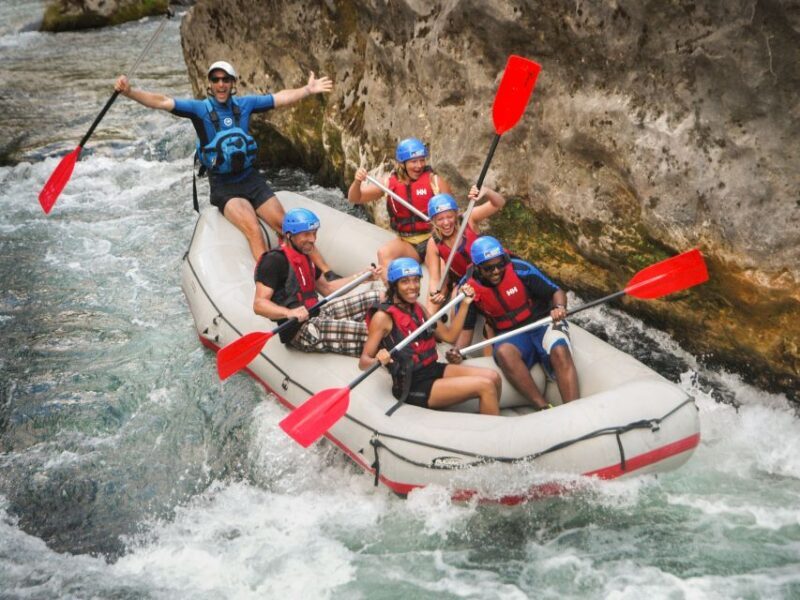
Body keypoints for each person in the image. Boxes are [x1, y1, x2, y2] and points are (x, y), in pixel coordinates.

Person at [114, 60, 336, 276]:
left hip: (251, 179)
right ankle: (272, 282)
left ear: (232, 83)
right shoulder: (199, 109)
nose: (221, 84)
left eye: (225, 80)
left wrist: (307, 90)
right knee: (253, 230)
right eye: (216, 79)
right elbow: (162, 101)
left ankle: (326, 273)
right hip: (224, 187)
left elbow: (280, 98)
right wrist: (130, 91)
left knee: (288, 225)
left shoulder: (244, 105)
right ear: (209, 84)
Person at [450, 236, 580, 409]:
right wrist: (458, 352)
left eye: (500, 264)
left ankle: (576, 411)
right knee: (504, 352)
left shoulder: (521, 269)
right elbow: (466, 330)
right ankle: (543, 407)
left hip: (541, 323)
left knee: (559, 349)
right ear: (477, 268)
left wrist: (559, 307)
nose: (496, 271)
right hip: (510, 335)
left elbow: (556, 291)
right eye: (489, 269)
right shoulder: (468, 289)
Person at [360, 257, 501, 415]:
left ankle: (492, 417)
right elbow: (363, 362)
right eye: (405, 281)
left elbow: (450, 336)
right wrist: (378, 360)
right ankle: (495, 436)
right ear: (395, 285)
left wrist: (465, 304)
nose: (412, 286)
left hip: (432, 369)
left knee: (493, 377)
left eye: (416, 280)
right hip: (412, 384)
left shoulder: (418, 308)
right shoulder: (382, 317)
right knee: (485, 385)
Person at [253, 207, 382, 356]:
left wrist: (362, 277)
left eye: (314, 233)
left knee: (379, 297)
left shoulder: (305, 256)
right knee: (374, 331)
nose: (313, 239)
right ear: (289, 236)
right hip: (301, 331)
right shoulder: (273, 261)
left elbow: (328, 288)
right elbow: (259, 305)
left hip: (318, 313)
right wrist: (288, 312)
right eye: (307, 234)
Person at [347, 138, 453, 275]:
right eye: (414, 161)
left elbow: (453, 213)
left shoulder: (435, 181)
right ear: (402, 164)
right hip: (407, 243)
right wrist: (357, 181)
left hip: (433, 240)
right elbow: (355, 198)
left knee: (441, 269)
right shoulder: (389, 183)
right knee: (383, 253)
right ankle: (393, 293)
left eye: (422, 160)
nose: (419, 165)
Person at [424, 186, 506, 315]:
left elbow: (499, 203)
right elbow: (435, 279)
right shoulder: (433, 243)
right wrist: (435, 293)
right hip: (466, 281)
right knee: (455, 297)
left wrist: (486, 191)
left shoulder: (469, 219)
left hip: (489, 272)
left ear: (456, 214)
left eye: (450, 216)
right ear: (433, 221)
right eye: (440, 219)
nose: (446, 223)